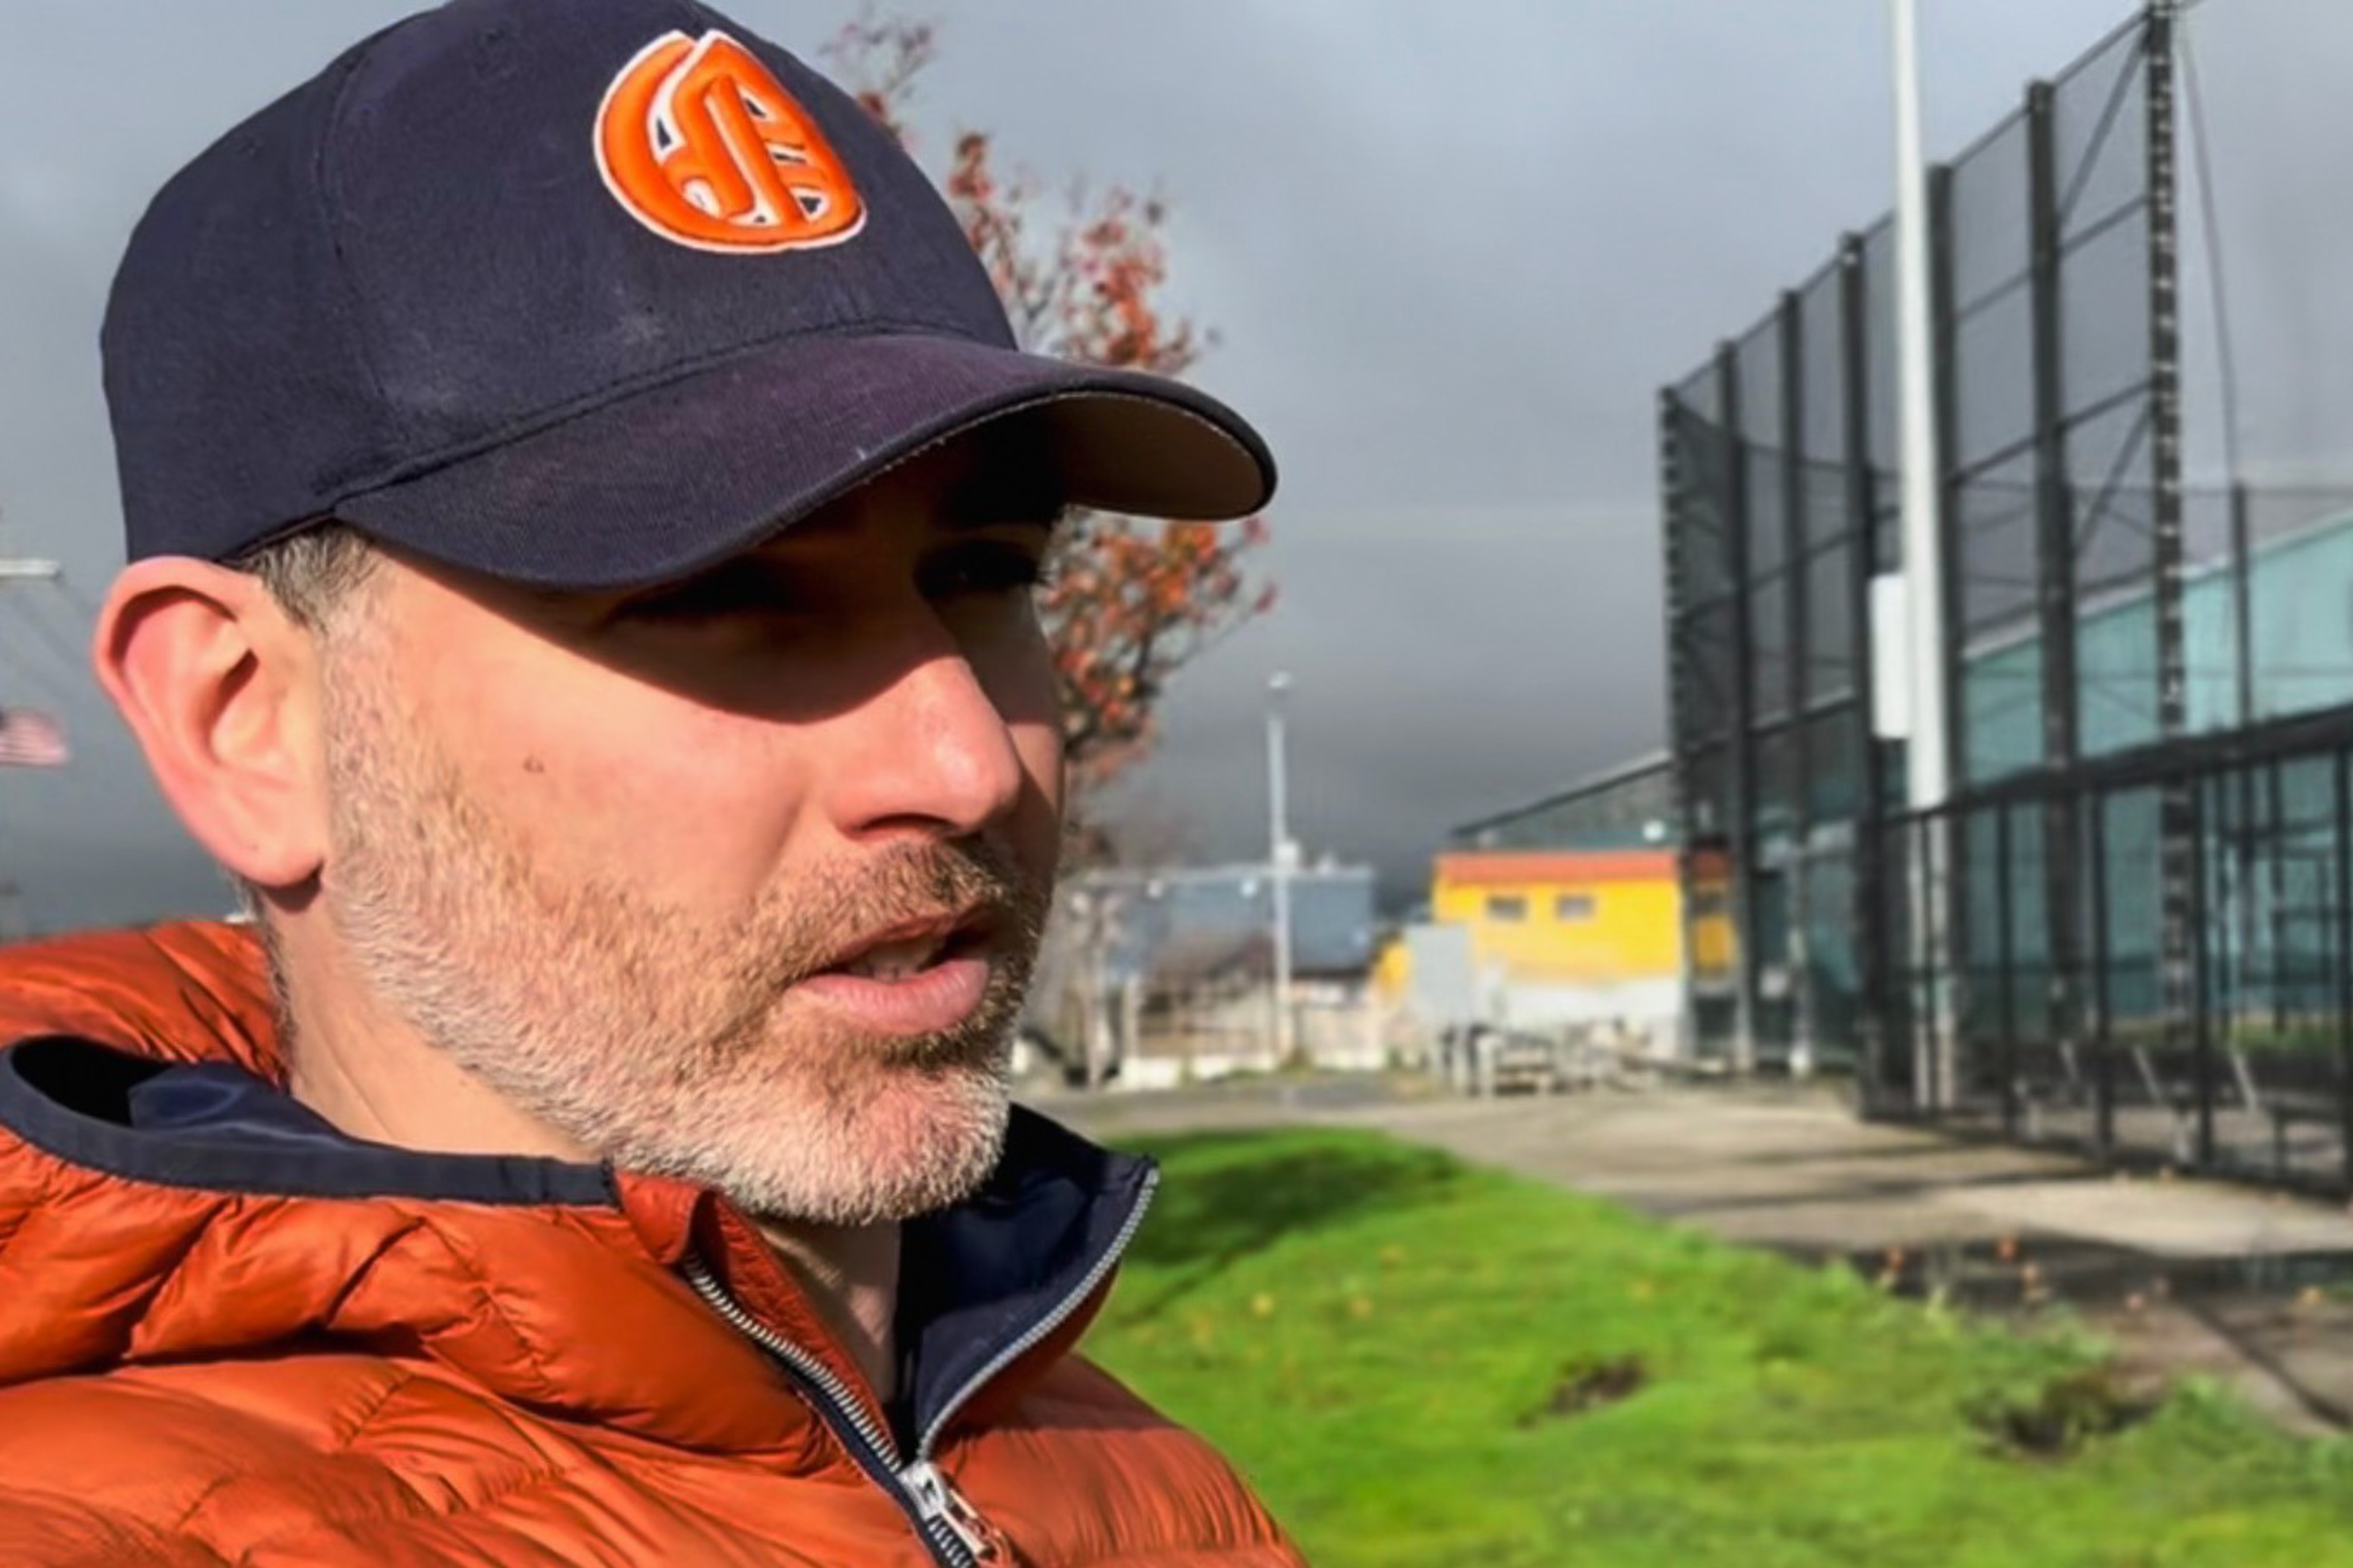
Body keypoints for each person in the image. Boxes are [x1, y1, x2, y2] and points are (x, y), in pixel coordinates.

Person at [0, 2, 1300, 1564]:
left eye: (983, 573)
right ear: (243, 722)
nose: (960, 765)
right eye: (721, 594)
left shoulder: (1134, 1477)